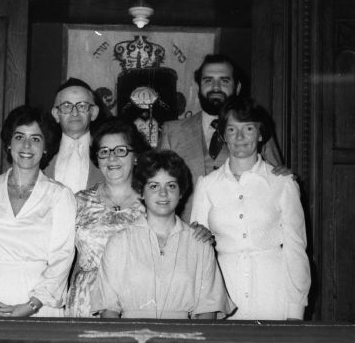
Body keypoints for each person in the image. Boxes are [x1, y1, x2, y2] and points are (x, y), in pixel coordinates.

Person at [191, 97, 311, 321]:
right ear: (223, 136)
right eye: (232, 129)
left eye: (248, 128)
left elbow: (296, 249)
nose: (240, 137)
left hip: (274, 294)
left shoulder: (283, 184)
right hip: (224, 295)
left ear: (261, 134)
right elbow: (197, 251)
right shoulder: (207, 185)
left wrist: (296, 310)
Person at [0, 105, 76, 317]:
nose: (27, 145)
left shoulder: (60, 196)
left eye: (36, 139)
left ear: (46, 147)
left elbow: (62, 258)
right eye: (19, 137)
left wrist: (32, 306)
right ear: (9, 144)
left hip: (40, 303)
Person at [91, 149, 234, 320]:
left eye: (171, 185)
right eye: (154, 186)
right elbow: (108, 310)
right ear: (141, 192)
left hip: (183, 340)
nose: (163, 193)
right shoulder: (119, 243)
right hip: (130, 338)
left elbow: (208, 310)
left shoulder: (199, 244)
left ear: (181, 192)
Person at [159, 54, 284, 222]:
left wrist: (285, 175)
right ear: (198, 86)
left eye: (224, 81)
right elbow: (157, 188)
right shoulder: (172, 132)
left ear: (237, 87)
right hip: (187, 238)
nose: (215, 87)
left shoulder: (256, 129)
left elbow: (278, 183)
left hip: (242, 238)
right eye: (208, 80)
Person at [66, 119, 150, 317]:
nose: (112, 158)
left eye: (121, 150)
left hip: (137, 299)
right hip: (87, 300)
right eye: (104, 151)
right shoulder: (79, 201)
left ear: (135, 156)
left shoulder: (152, 201)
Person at [46, 77, 103, 192]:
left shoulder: (108, 154)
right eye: (66, 106)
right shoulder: (42, 155)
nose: (75, 113)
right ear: (56, 114)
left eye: (82, 105)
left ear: (93, 112)